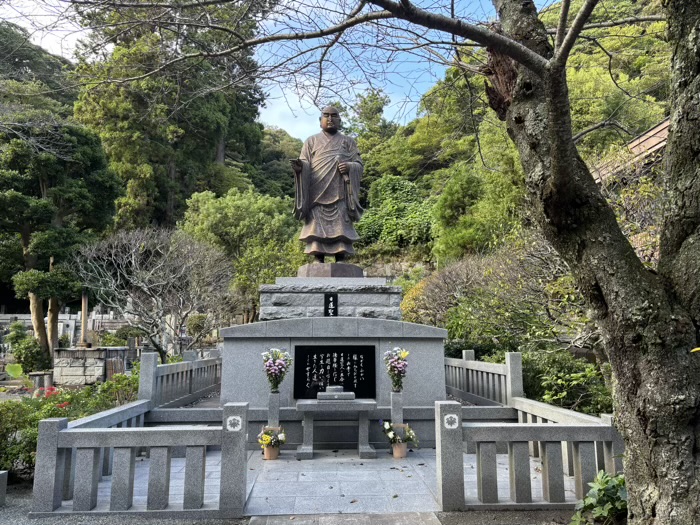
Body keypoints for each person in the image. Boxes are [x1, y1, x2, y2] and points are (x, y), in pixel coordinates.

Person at [290, 106, 363, 262]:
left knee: (341, 224)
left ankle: (341, 257)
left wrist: (350, 167)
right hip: (317, 190)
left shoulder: (348, 142)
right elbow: (305, 162)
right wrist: (300, 168)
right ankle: (318, 257)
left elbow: (359, 164)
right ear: (320, 120)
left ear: (339, 120)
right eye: (326, 115)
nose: (330, 119)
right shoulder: (311, 141)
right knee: (316, 225)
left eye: (334, 116)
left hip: (340, 191)